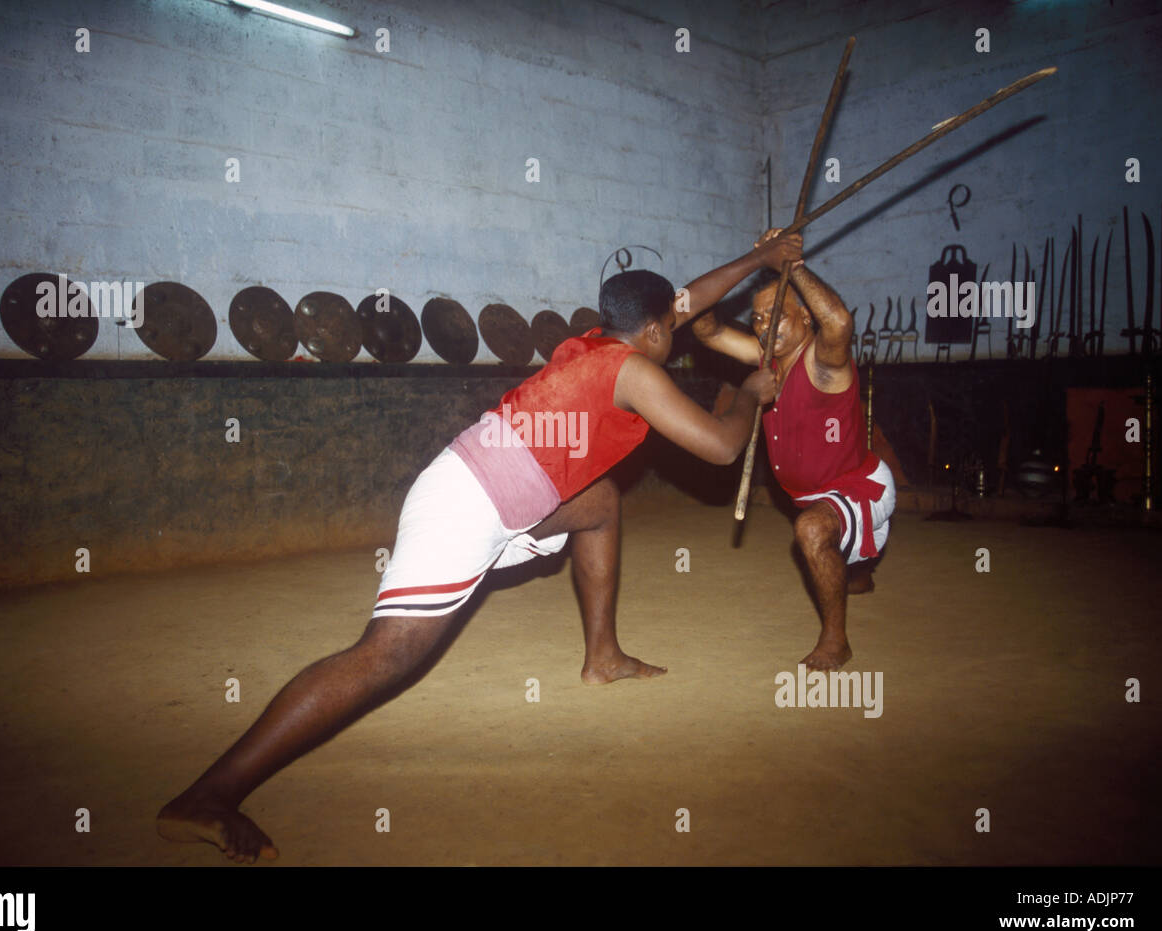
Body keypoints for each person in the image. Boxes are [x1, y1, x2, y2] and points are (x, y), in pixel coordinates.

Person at [157, 231, 802, 862]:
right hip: (468, 506)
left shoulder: (594, 342)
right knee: (386, 656)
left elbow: (681, 304)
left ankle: (602, 657)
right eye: (674, 325)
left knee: (600, 505)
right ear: (657, 333)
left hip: (498, 488)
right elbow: (720, 448)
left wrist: (761, 258)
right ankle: (209, 795)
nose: (682, 328)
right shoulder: (632, 371)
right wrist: (746, 394)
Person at [692, 236, 896, 671]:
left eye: (777, 316)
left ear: (804, 316)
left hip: (860, 488)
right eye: (759, 319)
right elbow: (704, 328)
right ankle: (857, 572)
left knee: (811, 530)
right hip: (812, 493)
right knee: (827, 538)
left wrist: (793, 265)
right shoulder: (765, 361)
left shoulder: (823, 361)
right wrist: (752, 262)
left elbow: (838, 322)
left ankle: (835, 641)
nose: (766, 327)